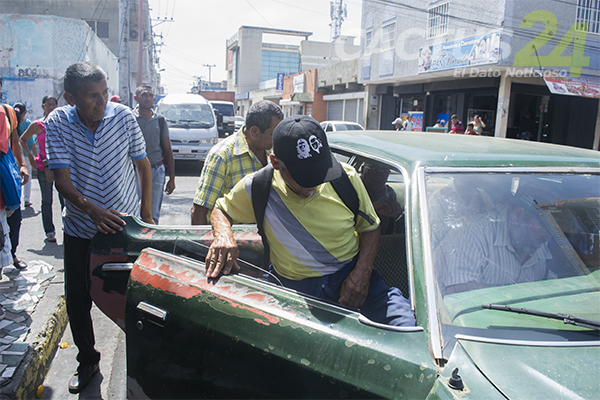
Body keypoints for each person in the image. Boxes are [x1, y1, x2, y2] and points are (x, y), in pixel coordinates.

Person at [206, 115, 415, 327]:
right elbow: (220, 210)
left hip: (353, 277)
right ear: (275, 163)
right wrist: (223, 235)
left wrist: (361, 273)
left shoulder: (346, 178)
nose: (312, 184)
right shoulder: (259, 187)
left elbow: (371, 228)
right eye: (303, 177)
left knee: (407, 328)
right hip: (295, 290)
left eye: (319, 172)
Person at [45, 62, 153, 394]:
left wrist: (146, 215)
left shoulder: (123, 117)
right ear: (69, 97)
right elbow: (61, 180)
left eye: (105, 93)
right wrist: (91, 211)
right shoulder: (58, 123)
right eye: (92, 96)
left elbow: (143, 165)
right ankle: (88, 361)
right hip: (80, 229)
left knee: (138, 298)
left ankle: (146, 364)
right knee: (78, 299)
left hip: (125, 229)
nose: (101, 102)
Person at [191, 100, 283, 225]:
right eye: (273, 134)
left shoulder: (274, 151)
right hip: (230, 239)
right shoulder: (222, 156)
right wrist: (202, 242)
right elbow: (199, 211)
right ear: (254, 132)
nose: (278, 139)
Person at [434, 202, 552, 296]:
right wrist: (517, 294)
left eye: (551, 232)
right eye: (541, 228)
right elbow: (457, 294)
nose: (547, 238)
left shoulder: (538, 243)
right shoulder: (473, 235)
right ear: (518, 215)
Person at [0, 78, 29, 284]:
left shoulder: (7, 112)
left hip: (6, 173)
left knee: (13, 217)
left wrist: (23, 164)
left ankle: (12, 253)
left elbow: (14, 141)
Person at [133, 85, 175, 224]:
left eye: (151, 95)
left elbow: (167, 150)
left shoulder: (160, 120)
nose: (148, 98)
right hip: (134, 170)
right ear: (136, 98)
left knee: (153, 212)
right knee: (132, 209)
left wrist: (172, 178)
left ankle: (151, 241)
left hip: (156, 169)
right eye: (144, 95)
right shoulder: (130, 119)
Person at [20, 96, 59, 242]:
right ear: (43, 107)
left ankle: (68, 228)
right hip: (44, 167)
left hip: (61, 167)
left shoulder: (61, 124)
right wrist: (30, 157)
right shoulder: (38, 125)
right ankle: (49, 231)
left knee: (66, 199)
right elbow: (22, 139)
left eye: (53, 105)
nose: (51, 107)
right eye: (48, 105)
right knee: (47, 200)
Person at [361, 162, 402, 235]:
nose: (379, 176)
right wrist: (373, 210)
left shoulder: (389, 193)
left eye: (384, 171)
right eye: (374, 169)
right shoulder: (352, 189)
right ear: (362, 170)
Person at [16, 103, 34, 207]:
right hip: (26, 155)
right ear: (25, 112)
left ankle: (17, 197)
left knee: (16, 177)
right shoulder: (27, 123)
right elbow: (31, 141)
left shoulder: (12, 122)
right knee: (28, 176)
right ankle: (26, 199)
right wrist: (35, 155)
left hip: (14, 155)